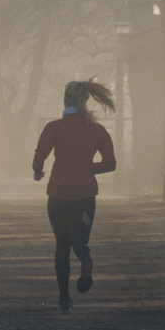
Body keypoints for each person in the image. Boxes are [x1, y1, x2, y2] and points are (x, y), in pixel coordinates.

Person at [31, 80, 116, 314]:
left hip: (58, 193)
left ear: (65, 101)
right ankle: (86, 261)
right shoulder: (97, 130)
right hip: (85, 195)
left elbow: (40, 157)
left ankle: (64, 299)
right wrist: (88, 169)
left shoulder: (54, 127)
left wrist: (38, 172)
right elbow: (111, 164)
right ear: (85, 101)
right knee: (80, 242)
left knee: (62, 245)